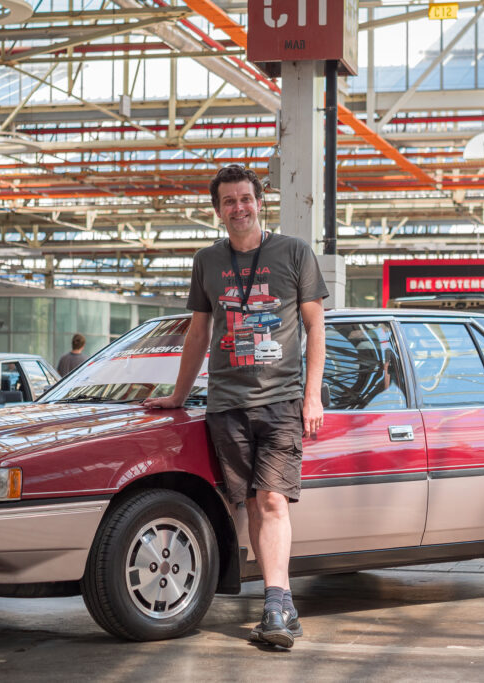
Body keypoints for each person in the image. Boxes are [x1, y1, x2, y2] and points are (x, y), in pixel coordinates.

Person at [143, 164, 327, 649]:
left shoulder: (293, 253)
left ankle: (275, 600)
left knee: (271, 500)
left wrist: (312, 394)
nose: (239, 208)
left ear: (259, 201)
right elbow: (199, 334)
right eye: (229, 201)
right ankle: (280, 607)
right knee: (250, 502)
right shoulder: (208, 262)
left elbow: (315, 327)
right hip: (226, 404)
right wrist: (179, 396)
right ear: (218, 210)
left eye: (246, 198)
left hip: (281, 401)